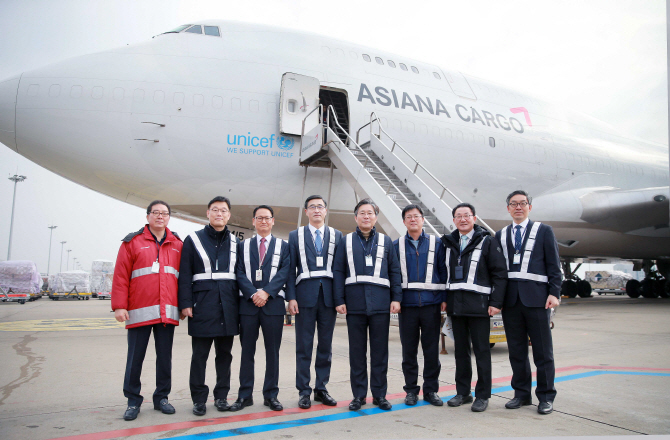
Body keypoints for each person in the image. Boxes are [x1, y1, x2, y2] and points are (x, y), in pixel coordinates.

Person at [112, 200, 183, 421]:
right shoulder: (131, 243)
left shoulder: (177, 244)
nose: (160, 217)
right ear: (147, 216)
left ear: (169, 217)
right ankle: (133, 400)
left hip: (167, 313)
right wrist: (119, 306)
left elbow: (184, 278)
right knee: (135, 359)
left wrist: (184, 305)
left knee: (165, 358)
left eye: (164, 213)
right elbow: (121, 276)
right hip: (139, 312)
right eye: (155, 213)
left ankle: (162, 397)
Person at [495, 190, 561, 415]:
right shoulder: (500, 235)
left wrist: (555, 292)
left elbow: (554, 265)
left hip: (538, 300)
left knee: (543, 352)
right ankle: (521, 394)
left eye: (522, 203)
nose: (518, 207)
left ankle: (545, 396)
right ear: (508, 208)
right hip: (511, 302)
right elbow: (497, 271)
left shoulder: (543, 231)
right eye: (513, 204)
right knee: (517, 351)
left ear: (529, 207)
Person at [333, 198, 402, 411]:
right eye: (362, 213)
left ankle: (380, 395)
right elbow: (338, 272)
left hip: (380, 304)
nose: (366, 216)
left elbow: (394, 271)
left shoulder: (385, 241)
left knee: (380, 353)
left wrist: (396, 298)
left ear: (375, 217)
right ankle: (359, 396)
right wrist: (339, 300)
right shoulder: (345, 241)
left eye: (370, 213)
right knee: (357, 352)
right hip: (354, 305)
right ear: (356, 217)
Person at [442, 203, 507, 412]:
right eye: (458, 216)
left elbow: (499, 273)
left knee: (481, 352)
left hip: (479, 307)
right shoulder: (449, 243)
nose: (462, 219)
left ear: (474, 218)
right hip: (456, 307)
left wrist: (496, 303)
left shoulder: (488, 241)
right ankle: (463, 393)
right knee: (460, 353)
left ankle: (482, 395)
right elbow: (445, 275)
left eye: (466, 216)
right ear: (453, 220)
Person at [178, 196, 239, 416]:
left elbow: (240, 276)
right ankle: (199, 400)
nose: (219, 214)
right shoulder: (192, 239)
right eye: (215, 210)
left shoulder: (236, 243)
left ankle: (221, 397)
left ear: (229, 215)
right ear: (208, 213)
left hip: (228, 307)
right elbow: (184, 274)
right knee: (199, 356)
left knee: (225, 355)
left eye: (223, 211)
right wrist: (185, 304)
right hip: (201, 306)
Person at [232, 205, 290, 412]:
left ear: (273, 221)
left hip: (272, 305)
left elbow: (285, 272)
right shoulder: (243, 246)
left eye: (267, 218)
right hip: (248, 305)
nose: (263, 221)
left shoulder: (284, 246)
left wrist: (266, 292)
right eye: (259, 218)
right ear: (254, 221)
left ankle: (271, 395)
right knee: (247, 352)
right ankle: (244, 395)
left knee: (272, 352)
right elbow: (238, 272)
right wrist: (252, 293)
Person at [286, 195, 342, 409]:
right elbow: (291, 269)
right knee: (304, 346)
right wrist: (290, 297)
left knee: (325, 346)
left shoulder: (337, 235)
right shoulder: (295, 235)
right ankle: (303, 390)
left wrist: (339, 299)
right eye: (312, 207)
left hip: (328, 299)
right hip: (304, 297)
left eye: (320, 206)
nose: (317, 210)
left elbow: (339, 270)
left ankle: (321, 388)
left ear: (326, 211)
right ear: (306, 211)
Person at [392, 205, 448, 407]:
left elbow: (443, 271)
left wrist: (443, 297)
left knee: (431, 351)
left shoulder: (437, 243)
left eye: (416, 216)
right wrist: (396, 299)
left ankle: (431, 390)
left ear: (423, 220)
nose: (413, 220)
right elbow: (394, 275)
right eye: (409, 217)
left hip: (431, 305)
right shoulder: (396, 245)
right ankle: (411, 391)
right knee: (409, 351)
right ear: (404, 221)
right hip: (407, 306)